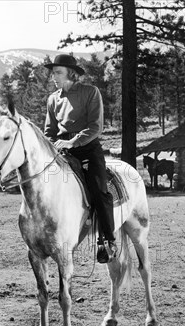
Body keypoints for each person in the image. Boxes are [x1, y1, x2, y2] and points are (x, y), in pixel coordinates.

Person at [43, 54, 116, 263]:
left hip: (87, 149)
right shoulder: (52, 99)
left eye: (58, 72)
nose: (53, 77)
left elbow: (95, 126)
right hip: (61, 152)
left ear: (71, 73)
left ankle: (107, 241)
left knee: (99, 190)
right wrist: (51, 146)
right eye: (53, 72)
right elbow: (49, 131)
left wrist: (73, 142)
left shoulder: (90, 92)